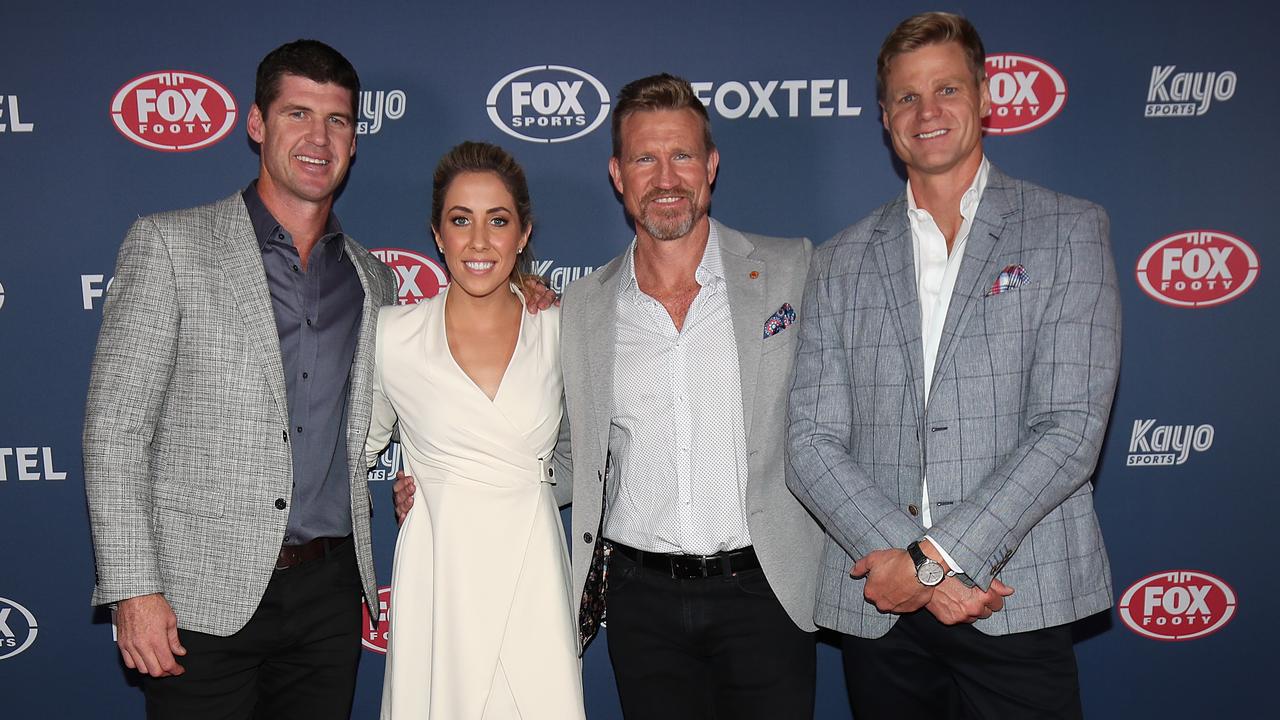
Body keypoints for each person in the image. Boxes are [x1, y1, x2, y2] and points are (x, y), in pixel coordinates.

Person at [786, 11, 1121, 719]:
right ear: (884, 117)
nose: (927, 111)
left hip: (1016, 596)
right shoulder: (840, 259)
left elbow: (1070, 429)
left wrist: (933, 562)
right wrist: (915, 572)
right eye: (907, 97)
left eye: (947, 89)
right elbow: (811, 442)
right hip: (883, 613)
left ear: (986, 95)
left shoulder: (1068, 230)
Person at [84, 40, 396, 719]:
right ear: (256, 123)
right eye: (297, 114)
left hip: (327, 597)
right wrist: (134, 588)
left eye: (338, 120)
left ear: (354, 138)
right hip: (197, 598)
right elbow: (115, 430)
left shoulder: (372, 279)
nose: (319, 138)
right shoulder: (170, 245)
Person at [562, 73, 823, 718]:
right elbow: (566, 452)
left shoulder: (793, 271)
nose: (666, 177)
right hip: (638, 601)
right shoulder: (581, 306)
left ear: (710, 165)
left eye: (682, 155)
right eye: (646, 158)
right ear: (618, 175)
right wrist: (451, 480)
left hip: (765, 591)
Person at [366, 141, 584, 719]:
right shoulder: (393, 335)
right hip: (440, 577)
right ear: (437, 234)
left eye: (498, 221)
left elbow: (595, 452)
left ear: (523, 233)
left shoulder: (562, 329)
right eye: (461, 220)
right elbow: (350, 450)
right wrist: (418, 479)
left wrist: (534, 484)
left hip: (532, 570)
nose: (480, 242)